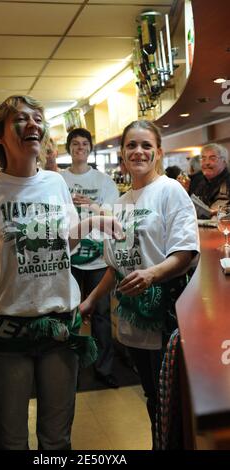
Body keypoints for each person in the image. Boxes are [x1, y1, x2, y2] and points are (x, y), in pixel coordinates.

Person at [0, 96, 123, 450]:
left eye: (37, 118)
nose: (33, 124)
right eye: (21, 118)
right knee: (11, 439)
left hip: (61, 326)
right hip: (6, 330)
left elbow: (65, 246)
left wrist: (91, 222)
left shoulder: (55, 183)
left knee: (57, 440)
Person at [80, 120, 199, 448]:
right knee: (152, 396)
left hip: (167, 321)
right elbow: (114, 267)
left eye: (146, 145)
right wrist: (91, 299)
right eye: (132, 145)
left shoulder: (170, 191)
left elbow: (186, 252)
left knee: (171, 401)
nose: (139, 151)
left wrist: (153, 274)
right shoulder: (119, 203)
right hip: (132, 325)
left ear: (158, 152)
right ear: (122, 154)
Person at [61, 128, 120, 388]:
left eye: (85, 143)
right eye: (75, 144)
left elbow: (112, 214)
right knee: (68, 312)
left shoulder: (104, 181)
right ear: (69, 148)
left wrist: (90, 205)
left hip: (98, 257)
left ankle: (104, 368)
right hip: (69, 257)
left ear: (90, 148)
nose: (80, 148)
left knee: (101, 315)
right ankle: (68, 369)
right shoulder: (58, 180)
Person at [188, 144, 230, 218]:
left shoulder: (228, 182)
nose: (207, 163)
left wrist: (223, 211)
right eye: (203, 159)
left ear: (224, 161)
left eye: (212, 158)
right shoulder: (198, 181)